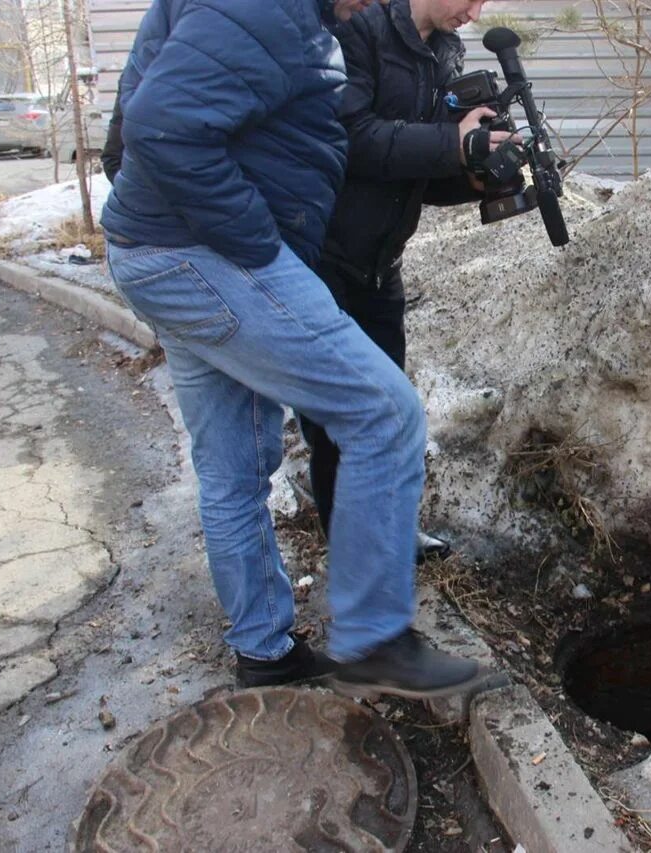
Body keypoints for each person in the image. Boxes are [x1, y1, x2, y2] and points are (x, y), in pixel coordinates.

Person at [100, 0, 485, 697]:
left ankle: (264, 651)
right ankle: (375, 639)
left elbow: (142, 95)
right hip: (204, 253)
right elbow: (158, 124)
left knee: (234, 467)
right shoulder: (267, 6)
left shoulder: (295, 15)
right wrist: (255, 239)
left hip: (161, 251)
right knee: (384, 413)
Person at [302, 0, 509, 552]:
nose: (475, 10)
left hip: (381, 265)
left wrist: (477, 174)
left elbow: (420, 172)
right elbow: (355, 139)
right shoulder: (358, 34)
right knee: (339, 418)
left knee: (389, 408)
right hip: (327, 258)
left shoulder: (444, 51)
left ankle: (386, 531)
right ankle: (348, 546)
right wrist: (452, 143)